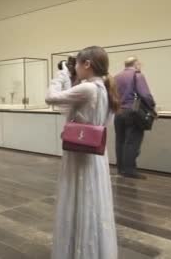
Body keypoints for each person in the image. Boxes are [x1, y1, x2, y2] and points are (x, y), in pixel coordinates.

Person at [45, 46, 119, 259]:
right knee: (91, 200)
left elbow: (51, 98)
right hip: (94, 156)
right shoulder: (102, 88)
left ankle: (79, 250)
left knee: (80, 198)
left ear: (87, 64)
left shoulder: (88, 89)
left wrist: (59, 76)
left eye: (77, 64)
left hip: (80, 155)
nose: (74, 68)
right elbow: (69, 105)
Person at [114, 56, 156, 179]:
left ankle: (121, 169)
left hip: (118, 112)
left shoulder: (116, 77)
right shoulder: (137, 75)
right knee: (132, 141)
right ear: (136, 64)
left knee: (120, 141)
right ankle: (129, 170)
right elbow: (145, 94)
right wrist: (152, 107)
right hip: (133, 112)